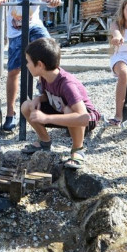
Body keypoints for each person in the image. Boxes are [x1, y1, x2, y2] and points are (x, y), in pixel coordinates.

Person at [0, 0, 61, 131]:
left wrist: (51, 0)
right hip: (15, 33)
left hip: (33, 27)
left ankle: (43, 81)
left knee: (48, 47)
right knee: (14, 71)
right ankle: (10, 113)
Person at [19, 37, 101, 170]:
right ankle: (44, 142)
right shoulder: (45, 76)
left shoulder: (67, 84)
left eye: (28, 61)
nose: (27, 65)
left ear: (40, 65)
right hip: (61, 110)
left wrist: (46, 118)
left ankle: (77, 149)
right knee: (26, 106)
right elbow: (49, 95)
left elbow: (83, 117)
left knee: (70, 110)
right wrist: (38, 99)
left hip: (85, 119)